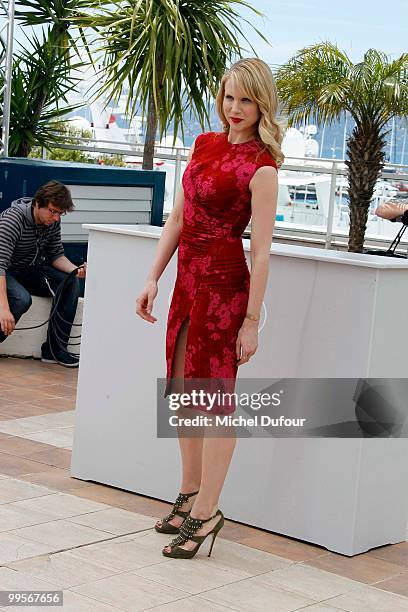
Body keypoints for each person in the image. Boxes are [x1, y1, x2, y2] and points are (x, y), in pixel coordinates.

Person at [136, 57, 282, 559]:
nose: (235, 108)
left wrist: (252, 321)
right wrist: (153, 276)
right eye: (228, 97)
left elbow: (261, 250)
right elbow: (178, 216)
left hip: (224, 285)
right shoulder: (203, 145)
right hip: (186, 281)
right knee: (181, 393)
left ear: (261, 102)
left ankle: (208, 513)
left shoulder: (263, 165)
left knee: (214, 403)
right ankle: (190, 491)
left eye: (245, 99)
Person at [0, 180, 86, 367]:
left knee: (69, 282)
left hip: (30, 269)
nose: (56, 217)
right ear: (38, 204)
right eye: (53, 211)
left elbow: (56, 254)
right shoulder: (12, 220)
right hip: (6, 271)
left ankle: (54, 351)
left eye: (60, 213)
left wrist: (75, 270)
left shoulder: (53, 222)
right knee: (22, 299)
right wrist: (4, 309)